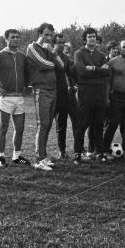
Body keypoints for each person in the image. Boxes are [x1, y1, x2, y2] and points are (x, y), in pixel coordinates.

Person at [0, 29, 38, 169]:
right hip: (5, 97)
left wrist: (25, 85)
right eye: (12, 37)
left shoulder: (22, 56)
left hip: (19, 98)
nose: (16, 39)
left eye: (18, 37)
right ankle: (1, 156)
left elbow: (27, 73)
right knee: (3, 127)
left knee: (20, 129)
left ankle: (16, 156)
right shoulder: (0, 55)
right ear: (6, 39)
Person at [27, 23, 63, 170]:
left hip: (52, 89)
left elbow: (61, 65)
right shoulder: (32, 47)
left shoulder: (49, 49)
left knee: (47, 124)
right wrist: (52, 61)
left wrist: (53, 53)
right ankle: (39, 159)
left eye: (50, 35)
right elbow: (43, 64)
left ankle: (43, 156)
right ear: (39, 34)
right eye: (46, 34)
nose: (48, 37)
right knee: (42, 124)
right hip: (41, 90)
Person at [73, 28, 111, 163]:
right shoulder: (79, 53)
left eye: (94, 36)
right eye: (89, 37)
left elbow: (107, 73)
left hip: (99, 92)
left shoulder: (100, 55)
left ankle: (100, 152)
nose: (92, 39)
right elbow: (81, 71)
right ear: (85, 39)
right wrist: (99, 70)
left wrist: (93, 68)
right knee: (82, 123)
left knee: (99, 124)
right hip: (85, 91)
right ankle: (78, 152)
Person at [52, 33, 78, 161]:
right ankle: (41, 154)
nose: (61, 45)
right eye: (59, 43)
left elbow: (73, 74)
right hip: (49, 94)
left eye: (63, 43)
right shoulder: (49, 55)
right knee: (45, 126)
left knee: (62, 125)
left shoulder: (66, 59)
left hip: (63, 95)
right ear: (54, 43)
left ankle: (62, 152)